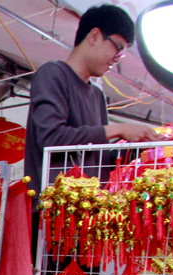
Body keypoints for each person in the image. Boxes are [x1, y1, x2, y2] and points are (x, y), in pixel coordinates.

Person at [23, 4, 160, 197]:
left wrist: (139, 146)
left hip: (89, 208)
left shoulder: (97, 96)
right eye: (118, 48)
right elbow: (51, 139)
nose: (117, 58)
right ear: (94, 36)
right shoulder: (53, 74)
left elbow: (99, 157)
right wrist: (119, 129)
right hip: (53, 209)